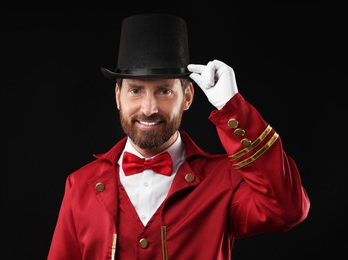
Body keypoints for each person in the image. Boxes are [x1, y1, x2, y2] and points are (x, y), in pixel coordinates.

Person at [47, 13, 310, 260]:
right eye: (136, 90)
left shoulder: (224, 180)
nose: (148, 108)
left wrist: (232, 106)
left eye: (164, 91)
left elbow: (288, 209)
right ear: (118, 96)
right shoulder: (79, 185)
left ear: (187, 97)